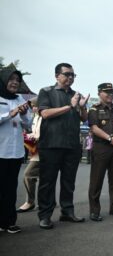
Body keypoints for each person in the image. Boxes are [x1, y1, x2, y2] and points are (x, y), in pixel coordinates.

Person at [37, 63, 89, 229]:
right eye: (67, 74)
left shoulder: (76, 94)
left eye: (73, 75)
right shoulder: (46, 92)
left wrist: (81, 107)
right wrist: (70, 106)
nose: (70, 78)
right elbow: (45, 113)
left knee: (68, 181)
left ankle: (67, 211)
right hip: (51, 144)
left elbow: (83, 119)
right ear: (56, 75)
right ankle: (45, 215)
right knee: (48, 182)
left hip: (72, 145)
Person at [87, 83, 113, 222]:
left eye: (112, 92)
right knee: (96, 180)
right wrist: (110, 139)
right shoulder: (94, 109)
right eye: (107, 92)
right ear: (99, 93)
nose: (110, 94)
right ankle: (94, 211)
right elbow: (94, 127)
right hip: (101, 147)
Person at [0, 68, 31, 234]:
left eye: (17, 80)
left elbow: (28, 125)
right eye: (11, 79)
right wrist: (9, 114)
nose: (14, 82)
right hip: (0, 151)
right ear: (3, 80)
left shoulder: (20, 99)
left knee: (11, 188)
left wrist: (25, 115)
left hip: (16, 151)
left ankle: (9, 222)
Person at [17, 97, 42, 214]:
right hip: (35, 150)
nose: (33, 108)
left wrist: (30, 137)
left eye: (35, 105)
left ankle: (30, 202)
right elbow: (35, 132)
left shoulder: (44, 117)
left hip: (42, 151)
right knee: (45, 178)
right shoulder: (35, 117)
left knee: (28, 175)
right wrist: (29, 135)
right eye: (32, 106)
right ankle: (46, 202)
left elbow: (43, 134)